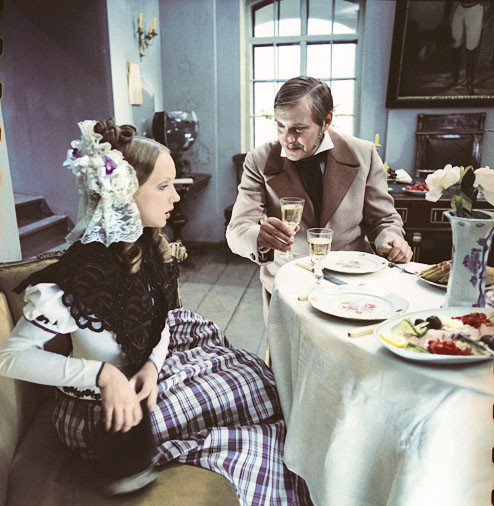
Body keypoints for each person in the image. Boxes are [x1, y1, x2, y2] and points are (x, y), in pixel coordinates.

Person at [0, 119, 312, 504]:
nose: (175, 197)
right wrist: (102, 376)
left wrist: (151, 364)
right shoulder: (80, 277)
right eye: (163, 186)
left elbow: (159, 323)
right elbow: (10, 358)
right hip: (103, 416)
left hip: (140, 382)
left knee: (256, 375)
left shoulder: (145, 251)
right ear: (125, 194)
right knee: (257, 394)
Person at [226, 76, 412, 319]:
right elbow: (237, 229)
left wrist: (391, 240)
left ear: (326, 121)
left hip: (352, 290)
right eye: (280, 126)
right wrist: (258, 236)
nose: (287, 138)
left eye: (298, 128)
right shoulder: (258, 159)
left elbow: (384, 220)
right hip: (287, 290)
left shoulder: (363, 153)